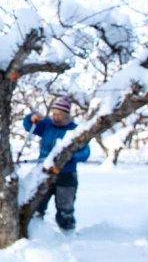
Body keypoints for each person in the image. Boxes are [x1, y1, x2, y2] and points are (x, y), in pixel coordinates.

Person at [23, 96, 90, 233]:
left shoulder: (74, 130)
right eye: (54, 114)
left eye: (60, 114)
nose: (56, 117)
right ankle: (36, 230)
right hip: (44, 172)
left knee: (65, 206)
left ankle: (67, 232)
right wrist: (31, 118)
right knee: (38, 202)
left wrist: (70, 157)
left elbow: (85, 153)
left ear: (67, 115)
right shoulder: (47, 125)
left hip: (66, 174)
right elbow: (29, 126)